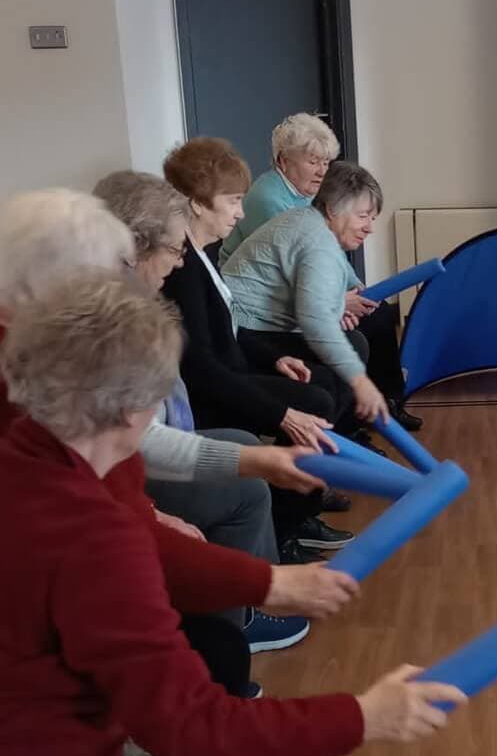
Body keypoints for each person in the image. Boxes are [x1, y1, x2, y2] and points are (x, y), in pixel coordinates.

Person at [0, 272, 466, 756]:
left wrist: (272, 584)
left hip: (67, 740)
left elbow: (141, 549)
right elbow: (194, 733)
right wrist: (366, 715)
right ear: (136, 405)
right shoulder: (82, 526)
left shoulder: (44, 450)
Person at [0, 188, 361, 697]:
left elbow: (124, 466)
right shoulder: (36, 378)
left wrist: (255, 460)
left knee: (220, 650)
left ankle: (237, 621)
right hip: (61, 622)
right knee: (218, 657)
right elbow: (90, 517)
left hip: (101, 556)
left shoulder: (66, 353)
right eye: (115, 264)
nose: (121, 279)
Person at [95, 169, 353, 564]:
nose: (179, 262)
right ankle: (261, 586)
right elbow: (136, 438)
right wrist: (151, 513)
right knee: (249, 487)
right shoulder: (113, 322)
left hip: (162, 434)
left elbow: (229, 332)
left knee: (259, 436)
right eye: (173, 249)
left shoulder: (153, 288)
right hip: (153, 449)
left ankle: (275, 553)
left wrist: (273, 360)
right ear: (135, 248)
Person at [222, 118, 421, 432]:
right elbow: (315, 320)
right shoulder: (313, 236)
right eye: (363, 216)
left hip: (258, 325)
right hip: (246, 332)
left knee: (355, 342)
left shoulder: (312, 220)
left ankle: (341, 442)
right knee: (333, 375)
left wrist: (352, 294)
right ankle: (317, 460)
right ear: (334, 209)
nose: (370, 227)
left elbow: (334, 272)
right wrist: (362, 382)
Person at [159, 140, 351, 442]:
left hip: (231, 368)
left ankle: (308, 476)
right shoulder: (182, 268)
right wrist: (281, 414)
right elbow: (199, 367)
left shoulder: (204, 253)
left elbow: (231, 326)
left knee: (324, 380)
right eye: (233, 201)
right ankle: (288, 485)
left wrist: (275, 359)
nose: (240, 214)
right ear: (197, 202)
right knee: (316, 401)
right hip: (210, 392)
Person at [221, 112, 339, 261]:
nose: (322, 172)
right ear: (283, 161)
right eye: (313, 162)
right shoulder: (267, 200)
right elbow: (298, 260)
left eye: (326, 162)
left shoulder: (309, 192)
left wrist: (352, 281)